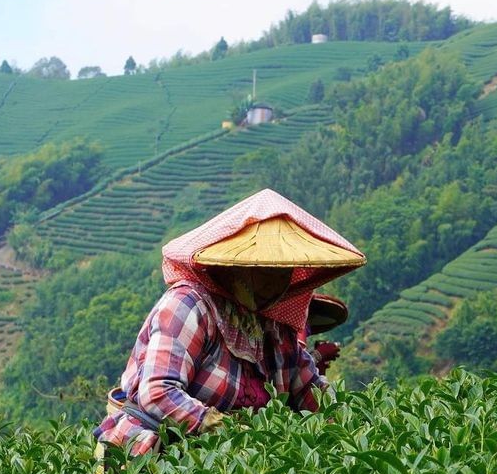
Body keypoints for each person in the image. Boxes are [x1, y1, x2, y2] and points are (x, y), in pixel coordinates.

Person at [94, 189, 366, 456]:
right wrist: (224, 430)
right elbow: (157, 393)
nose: (275, 283)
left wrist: (359, 428)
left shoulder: (276, 328)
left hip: (232, 466)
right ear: (234, 267)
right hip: (156, 456)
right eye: (263, 271)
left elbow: (311, 391)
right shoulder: (191, 305)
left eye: (284, 271)